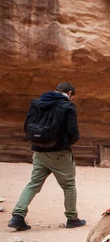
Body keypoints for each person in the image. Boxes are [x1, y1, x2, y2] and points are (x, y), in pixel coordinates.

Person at [8, 82, 86, 231]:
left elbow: (26, 127)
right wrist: (65, 143)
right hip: (59, 153)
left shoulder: (37, 103)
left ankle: (17, 215)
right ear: (69, 93)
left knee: (33, 184)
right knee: (68, 185)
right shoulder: (67, 106)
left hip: (38, 151)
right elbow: (73, 131)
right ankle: (72, 218)